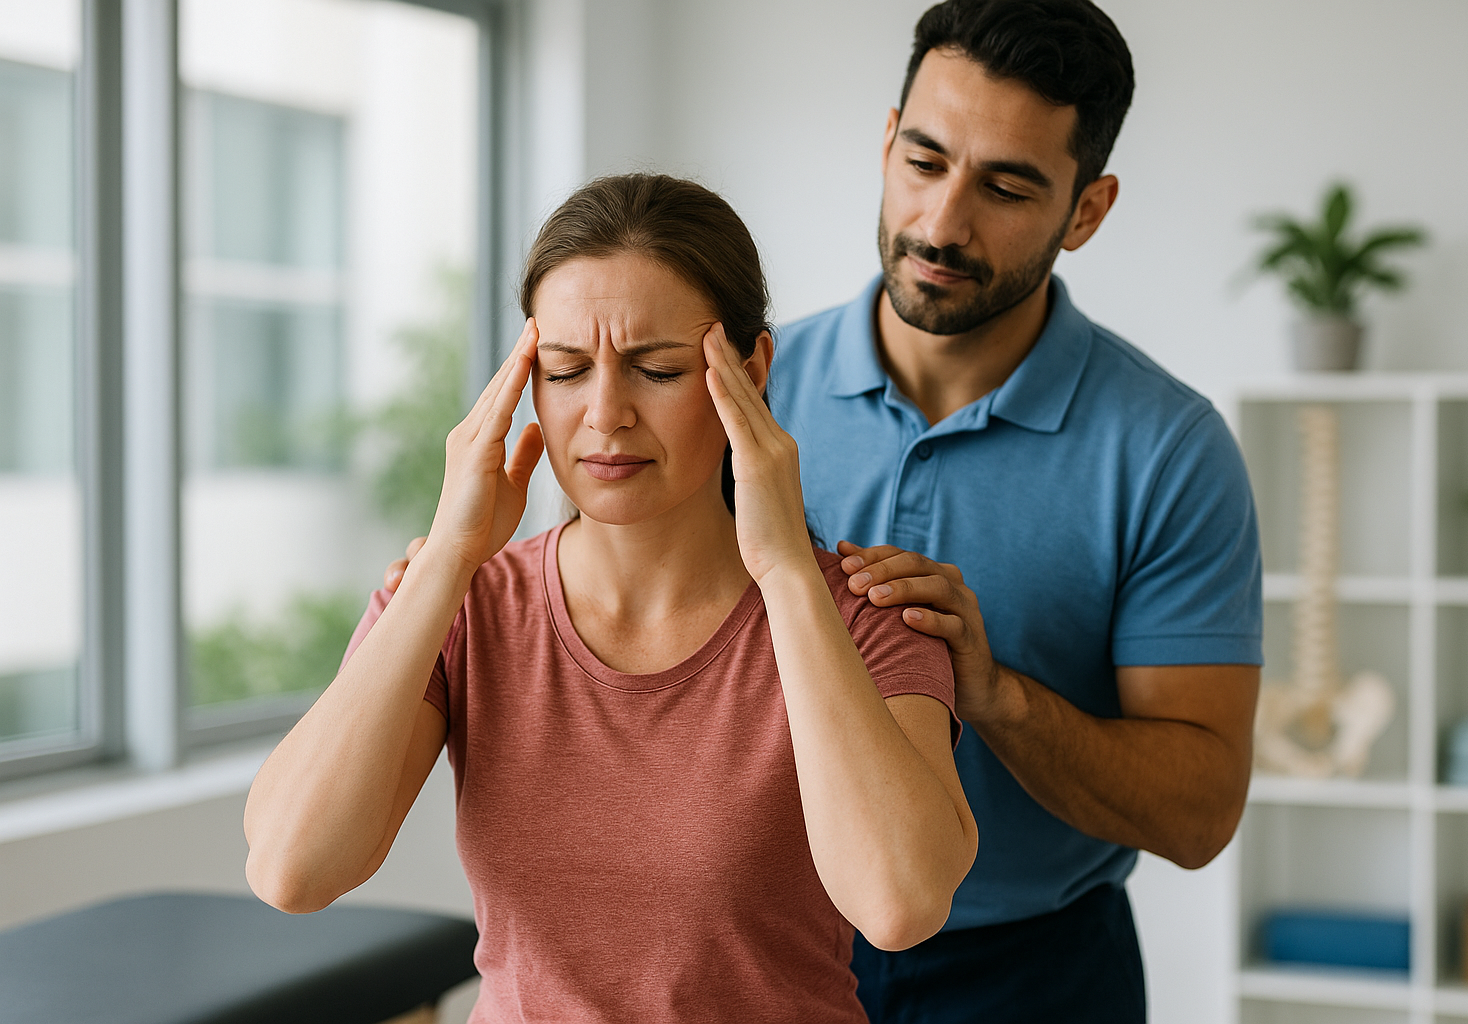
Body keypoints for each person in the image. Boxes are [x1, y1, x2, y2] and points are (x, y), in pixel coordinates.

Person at [385, 0, 1264, 1020]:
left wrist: (998, 695)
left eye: (1008, 185)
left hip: (1028, 971)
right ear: (886, 142)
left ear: (1088, 209)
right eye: (925, 161)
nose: (943, 222)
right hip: (752, 958)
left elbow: (1198, 814)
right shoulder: (718, 389)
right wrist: (440, 592)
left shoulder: (1168, 451)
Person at [244, 174, 978, 1024]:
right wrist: (449, 554)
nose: (604, 415)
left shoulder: (863, 616)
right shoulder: (463, 606)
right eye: (563, 371)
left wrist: (785, 575)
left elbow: (900, 905)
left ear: (750, 369)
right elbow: (292, 870)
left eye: (656, 370)